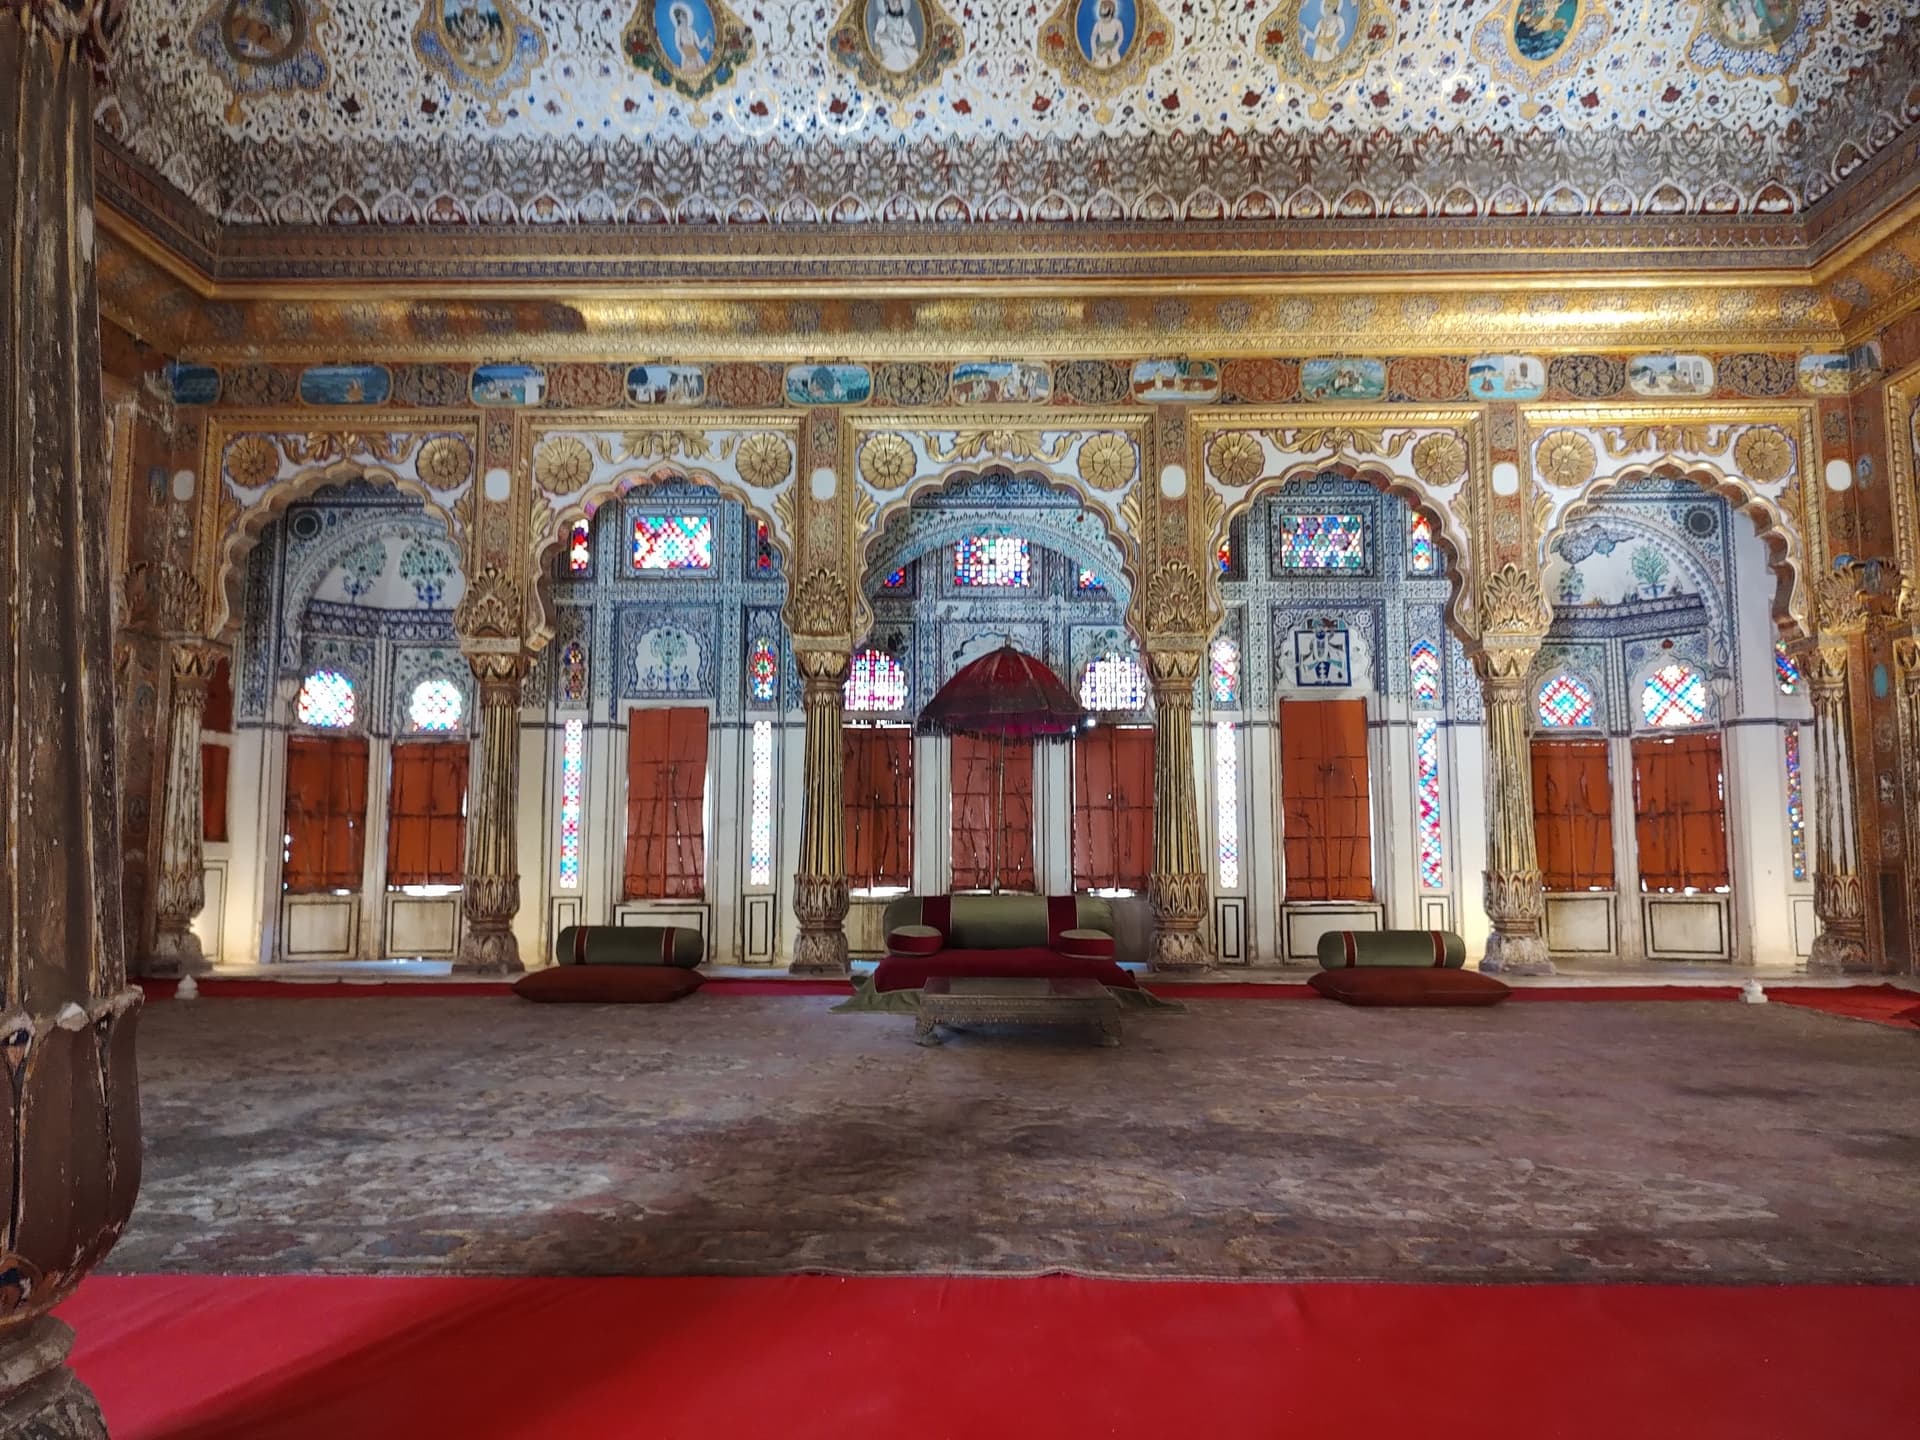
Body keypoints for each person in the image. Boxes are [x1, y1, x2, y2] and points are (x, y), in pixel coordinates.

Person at [870, 0, 921, 73]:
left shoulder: (904, 21)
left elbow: (912, 40)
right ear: (887, 4)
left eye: (896, 0)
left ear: (900, 3)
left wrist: (902, 35)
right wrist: (887, 37)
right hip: (889, 49)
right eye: (891, 1)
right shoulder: (883, 20)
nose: (894, 3)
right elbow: (876, 38)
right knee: (897, 58)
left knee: (915, 55)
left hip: (902, 48)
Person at [670, 3, 711, 69]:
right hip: (686, 56)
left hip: (695, 55)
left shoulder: (692, 31)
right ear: (678, 18)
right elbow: (677, 45)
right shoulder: (678, 31)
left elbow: (699, 45)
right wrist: (683, 54)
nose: (685, 17)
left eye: (685, 14)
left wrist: (707, 37)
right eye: (682, 15)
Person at [1087, 0, 1125, 69]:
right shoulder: (1098, 24)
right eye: (1102, 7)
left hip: (1112, 51)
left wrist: (1115, 48)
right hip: (1100, 51)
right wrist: (1094, 51)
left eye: (1106, 15)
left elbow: (1121, 37)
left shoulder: (1117, 23)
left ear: (1111, 11)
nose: (1103, 8)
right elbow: (1093, 38)